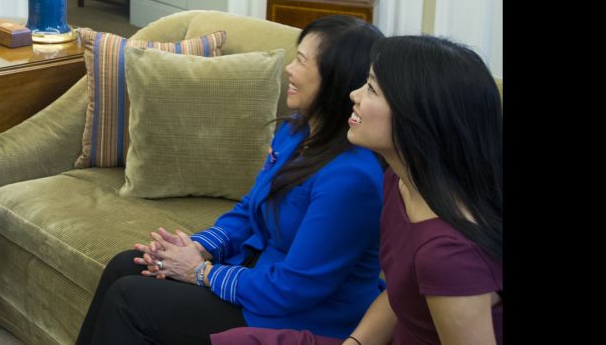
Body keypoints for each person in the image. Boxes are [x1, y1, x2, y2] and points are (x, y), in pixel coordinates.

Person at [75, 16, 387, 345]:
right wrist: (198, 247)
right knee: (126, 265)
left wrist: (200, 272)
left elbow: (293, 289)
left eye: (301, 61)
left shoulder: (352, 179)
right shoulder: (297, 129)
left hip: (298, 316)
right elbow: (252, 207)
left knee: (130, 299)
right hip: (262, 279)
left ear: (335, 79)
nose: (289, 70)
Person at [210, 36, 503, 345]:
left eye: (372, 89)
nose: (354, 94)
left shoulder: (449, 257)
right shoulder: (399, 182)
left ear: (417, 116)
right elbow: (400, 295)